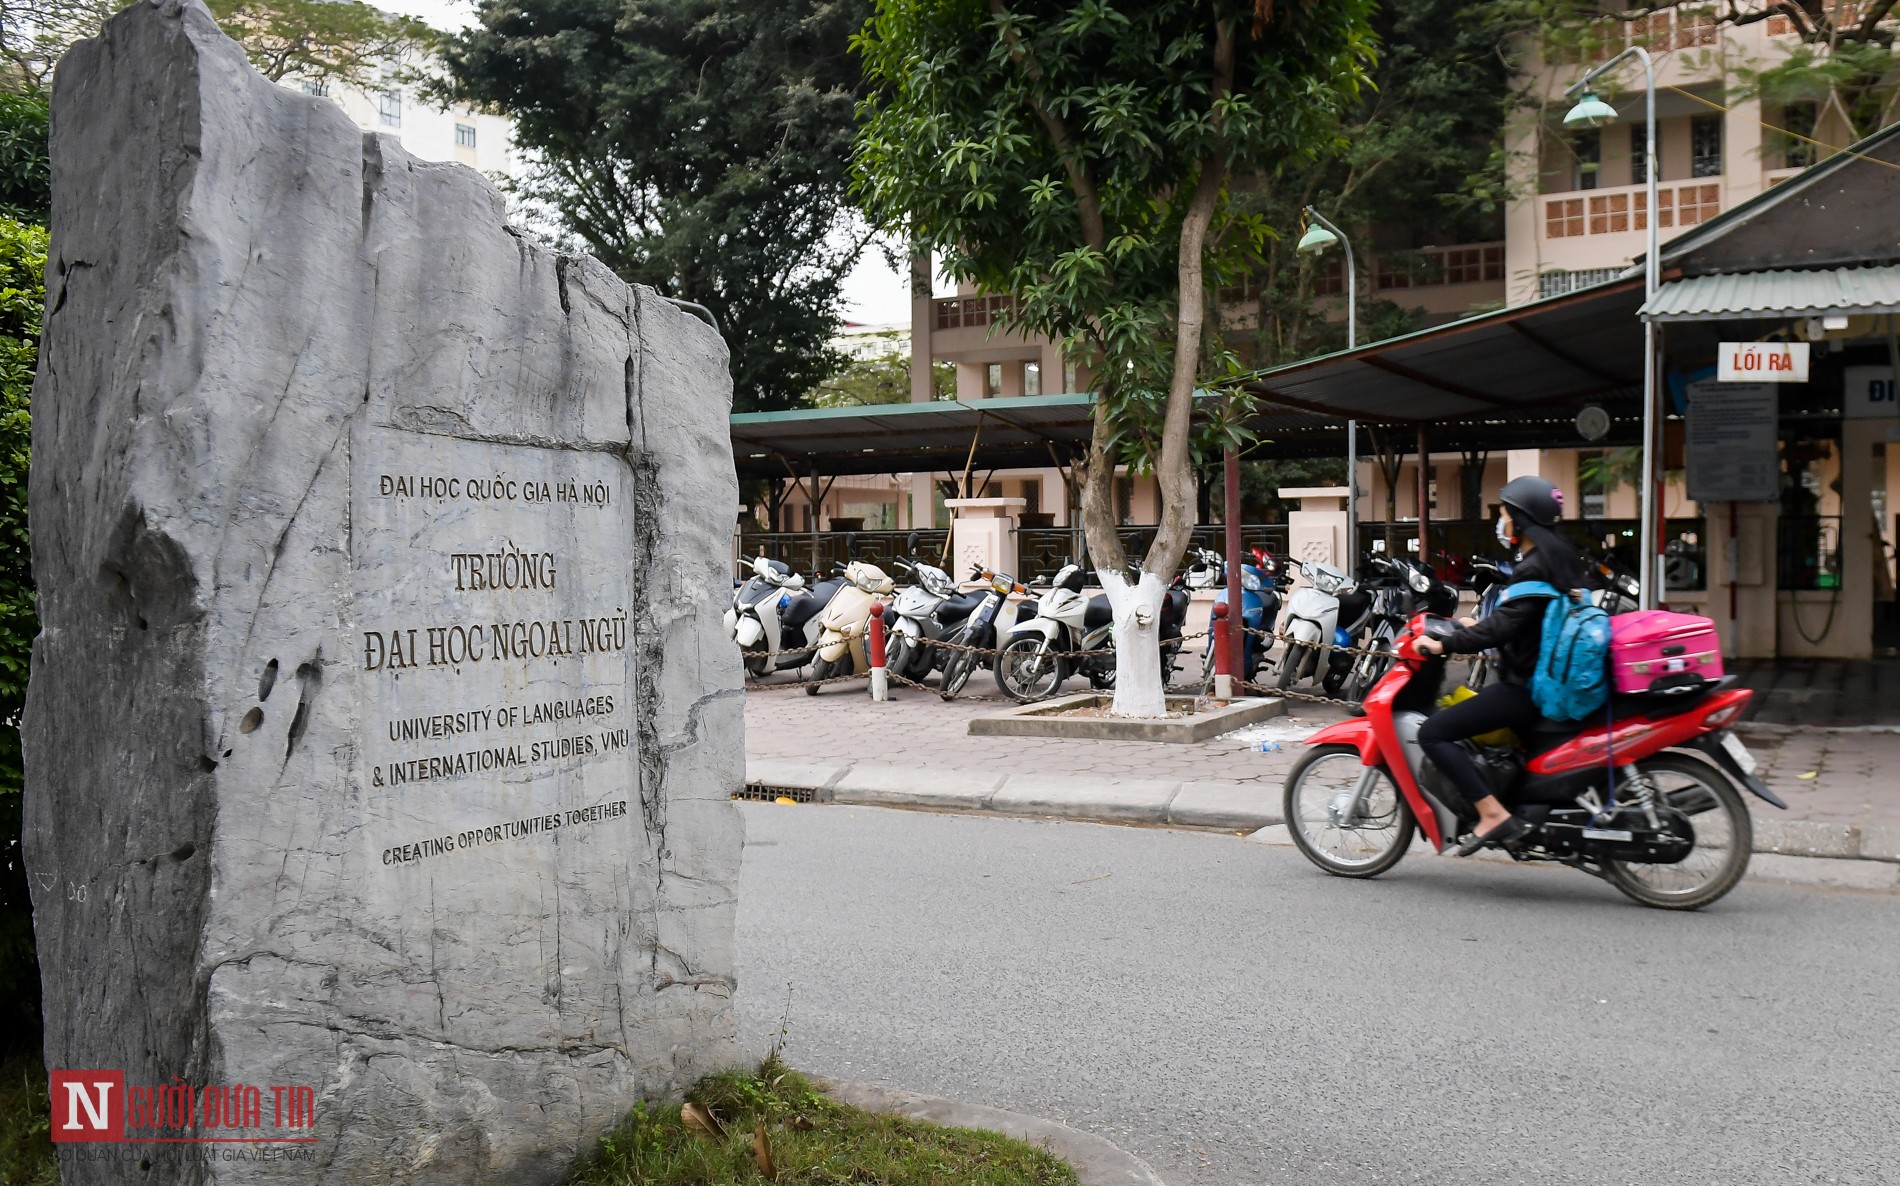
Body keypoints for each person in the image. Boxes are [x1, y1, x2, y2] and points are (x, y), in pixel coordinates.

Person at [1415, 476, 1585, 856]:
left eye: (1505, 513)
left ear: (1521, 520)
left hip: (1527, 688)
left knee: (1435, 733)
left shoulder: (1534, 566)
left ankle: (1491, 813)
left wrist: (1444, 643)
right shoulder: (1558, 557)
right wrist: (1479, 626)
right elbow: (1526, 623)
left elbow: (1508, 626)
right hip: (1550, 677)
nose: (1501, 521)